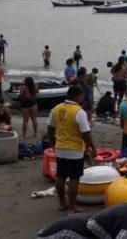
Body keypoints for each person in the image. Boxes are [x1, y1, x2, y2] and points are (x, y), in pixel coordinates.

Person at [47, 85, 97, 213]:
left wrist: (53, 144)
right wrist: (92, 148)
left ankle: (62, 203)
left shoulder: (56, 109)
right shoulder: (79, 112)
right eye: (82, 97)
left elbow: (50, 129)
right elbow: (86, 133)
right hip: (75, 149)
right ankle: (72, 206)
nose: (83, 99)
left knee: (61, 176)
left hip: (60, 147)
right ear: (78, 96)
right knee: (74, 178)